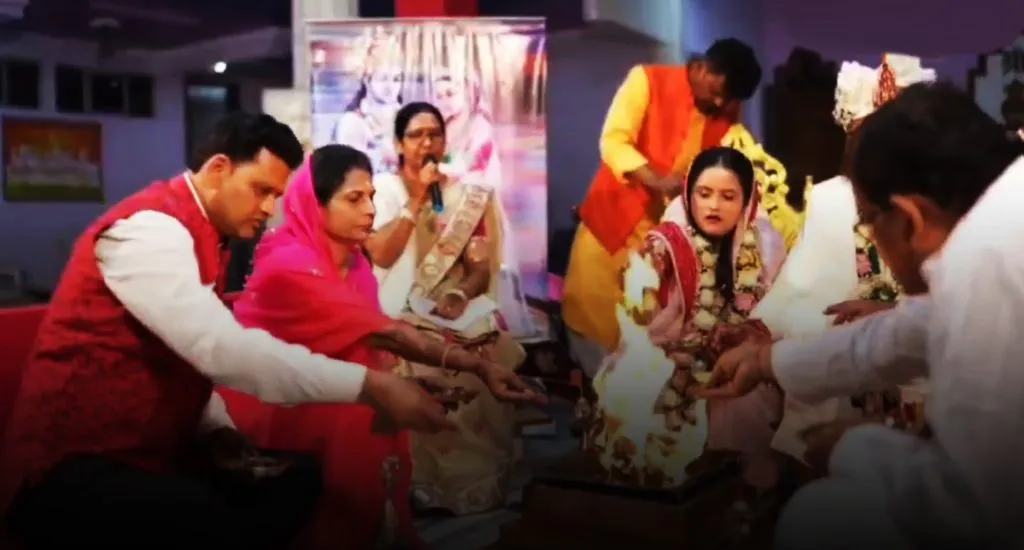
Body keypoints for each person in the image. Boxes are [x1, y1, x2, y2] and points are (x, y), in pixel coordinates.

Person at [0, 113, 455, 549]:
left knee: (299, 478)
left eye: (277, 195)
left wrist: (217, 429)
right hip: (67, 469)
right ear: (218, 169)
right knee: (209, 514)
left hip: (154, 447)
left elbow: (181, 356)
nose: (269, 208)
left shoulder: (211, 236)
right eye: (260, 190)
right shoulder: (148, 231)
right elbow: (218, 349)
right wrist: (371, 387)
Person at [701, 82, 1024, 549]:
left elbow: (972, 510)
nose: (869, 237)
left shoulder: (987, 255)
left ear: (912, 217)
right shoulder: (1000, 214)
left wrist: (854, 448)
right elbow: (909, 331)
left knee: (820, 516)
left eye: (869, 222)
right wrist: (767, 360)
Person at [223, 144, 541, 549]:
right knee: (362, 416)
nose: (370, 210)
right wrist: (473, 366)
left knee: (378, 409)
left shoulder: (354, 262)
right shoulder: (290, 265)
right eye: (354, 199)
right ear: (314, 206)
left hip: (337, 388)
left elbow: (361, 340)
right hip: (281, 406)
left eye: (371, 197)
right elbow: (382, 333)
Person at [752, 54, 936, 462]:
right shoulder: (833, 197)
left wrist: (891, 311)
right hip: (851, 366)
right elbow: (803, 286)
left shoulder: (949, 203)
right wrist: (762, 336)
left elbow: (954, 316)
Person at [591, 147, 785, 503]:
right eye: (704, 194)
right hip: (668, 363)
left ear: (747, 201)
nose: (713, 206)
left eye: (728, 197)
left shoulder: (765, 244)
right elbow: (639, 317)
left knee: (748, 401)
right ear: (688, 195)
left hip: (737, 368)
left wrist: (747, 336)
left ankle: (743, 505)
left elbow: (780, 314)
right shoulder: (667, 244)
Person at [562, 37, 763, 379]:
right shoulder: (646, 80)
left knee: (646, 335)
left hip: (663, 240)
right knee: (593, 318)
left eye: (726, 98)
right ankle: (598, 411)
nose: (718, 102)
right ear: (700, 68)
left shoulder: (727, 109)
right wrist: (654, 179)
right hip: (612, 222)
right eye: (715, 91)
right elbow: (613, 140)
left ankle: (632, 416)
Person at [366, 101, 527, 515]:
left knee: (488, 350)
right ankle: (417, 480)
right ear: (400, 145)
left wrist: (459, 295)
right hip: (392, 310)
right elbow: (381, 256)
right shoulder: (378, 193)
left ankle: (468, 480)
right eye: (417, 135)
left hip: (449, 311)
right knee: (420, 362)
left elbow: (477, 267)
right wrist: (416, 199)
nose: (427, 143)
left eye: (434, 134)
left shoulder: (464, 197)